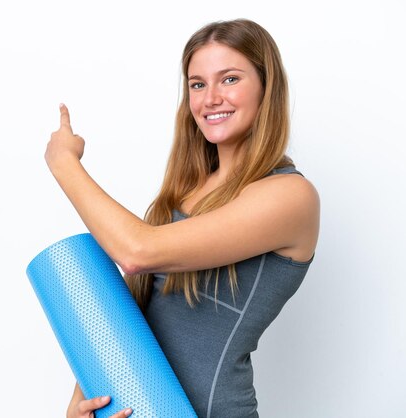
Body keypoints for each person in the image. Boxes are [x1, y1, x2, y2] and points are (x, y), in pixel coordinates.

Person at [45, 18, 320, 418]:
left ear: (266, 87)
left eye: (229, 79)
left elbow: (136, 251)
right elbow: (130, 304)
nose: (210, 98)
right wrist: (86, 400)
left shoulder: (289, 197)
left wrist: (64, 163)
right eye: (197, 84)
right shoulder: (184, 194)